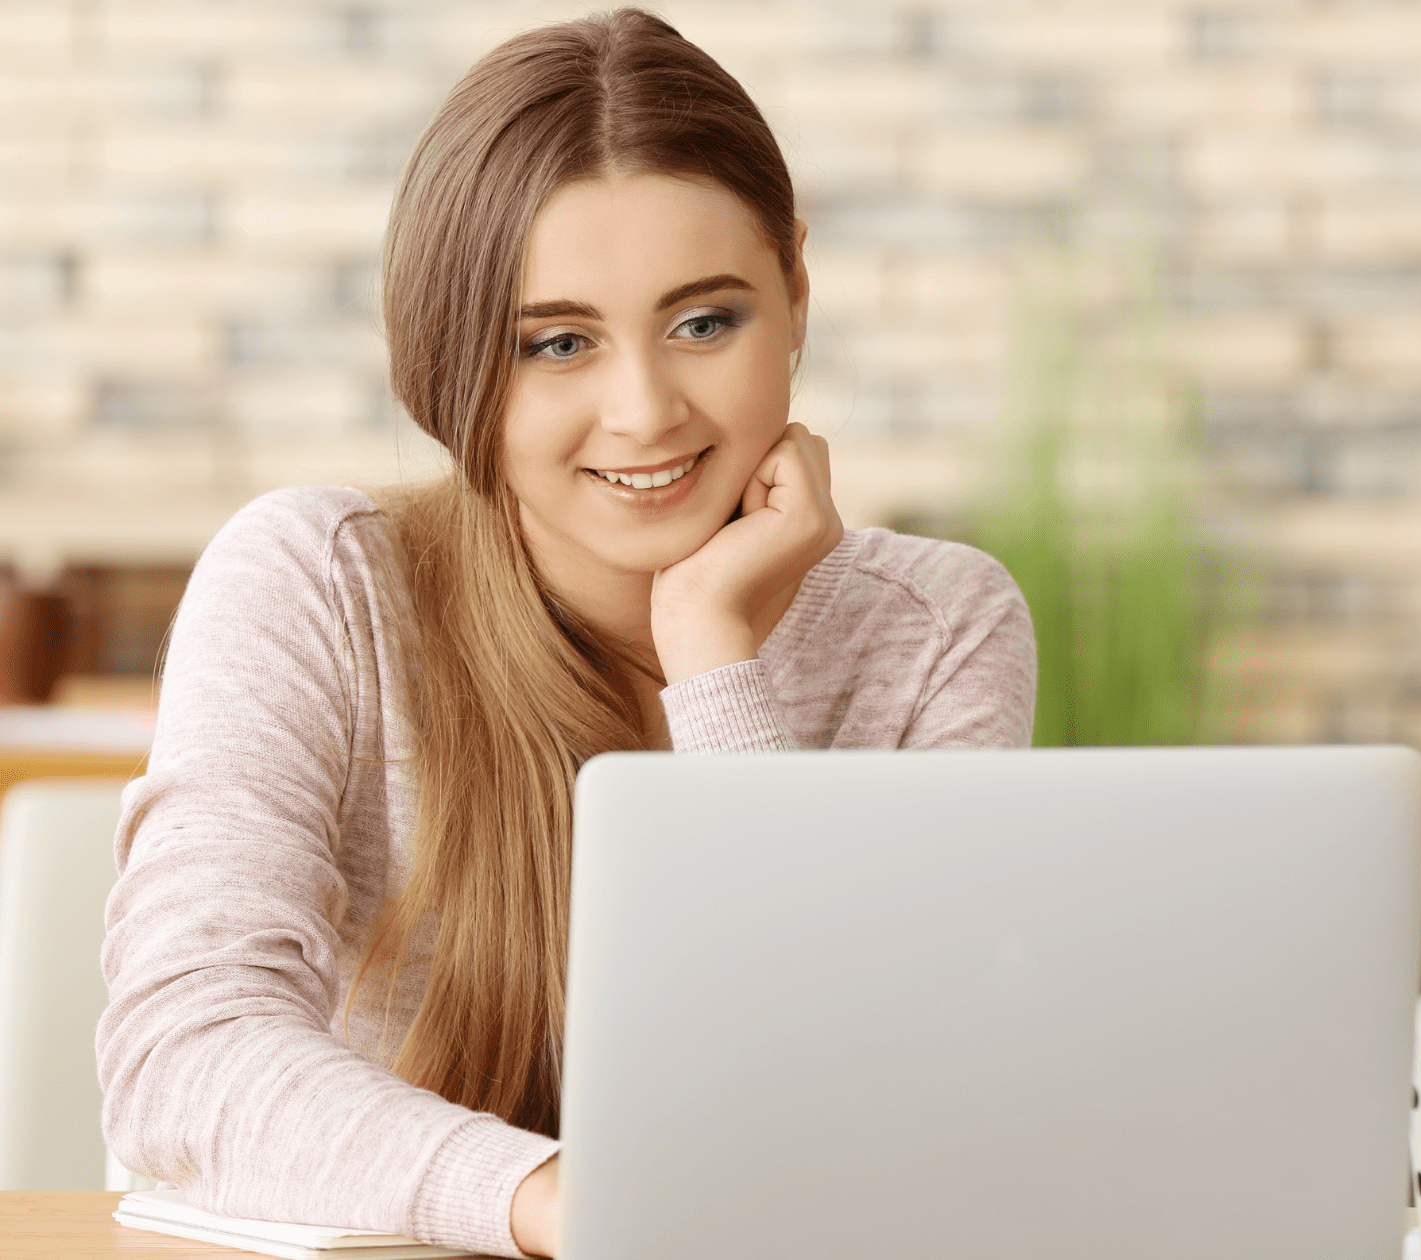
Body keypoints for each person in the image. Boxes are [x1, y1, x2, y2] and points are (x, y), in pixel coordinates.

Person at [96, 11, 1037, 1258]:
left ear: (795, 293)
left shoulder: (937, 629)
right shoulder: (318, 583)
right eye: (556, 343)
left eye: (706, 323)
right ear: (452, 355)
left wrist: (714, 660)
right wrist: (555, 1201)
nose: (644, 412)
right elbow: (183, 1054)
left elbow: (883, 1096)